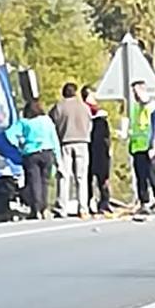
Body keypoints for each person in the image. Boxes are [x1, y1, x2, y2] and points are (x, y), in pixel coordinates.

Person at [5, 100, 60, 219]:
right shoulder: (46, 120)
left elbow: (9, 134)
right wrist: (58, 157)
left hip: (31, 153)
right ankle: (44, 208)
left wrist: (19, 144)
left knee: (34, 181)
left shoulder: (24, 122)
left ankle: (36, 209)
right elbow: (54, 138)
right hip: (47, 152)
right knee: (45, 182)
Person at [49, 82, 93, 217]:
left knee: (64, 176)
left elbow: (52, 122)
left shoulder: (59, 106)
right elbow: (90, 123)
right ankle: (83, 207)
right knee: (81, 177)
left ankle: (62, 207)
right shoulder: (84, 107)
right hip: (82, 142)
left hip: (65, 143)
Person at [124, 80, 155, 214]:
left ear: (143, 91)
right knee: (140, 176)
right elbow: (134, 127)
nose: (135, 96)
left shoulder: (154, 107)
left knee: (152, 175)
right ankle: (144, 202)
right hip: (137, 147)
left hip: (150, 147)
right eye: (133, 93)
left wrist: (153, 146)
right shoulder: (136, 108)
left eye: (136, 92)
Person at [82, 85, 112, 215]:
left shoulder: (100, 114)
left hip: (99, 149)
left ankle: (103, 202)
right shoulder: (85, 112)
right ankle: (91, 202)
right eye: (92, 95)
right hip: (91, 148)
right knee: (90, 178)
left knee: (101, 177)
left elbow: (107, 135)